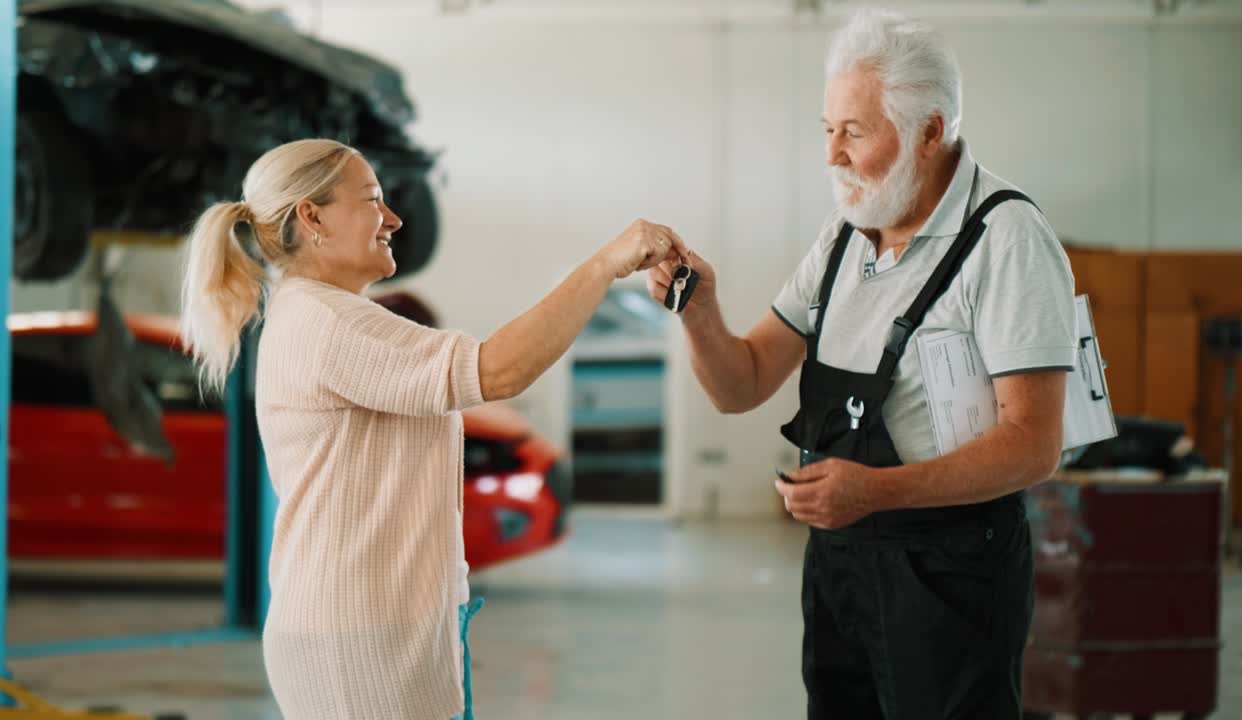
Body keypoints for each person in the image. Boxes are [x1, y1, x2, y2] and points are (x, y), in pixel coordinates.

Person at [648, 8, 1076, 719]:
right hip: (842, 566)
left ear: (930, 131)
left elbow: (1035, 443)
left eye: (855, 131)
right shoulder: (845, 237)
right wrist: (700, 312)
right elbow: (742, 383)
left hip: (956, 572)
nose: (832, 154)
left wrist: (878, 491)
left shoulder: (1006, 238)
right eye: (827, 129)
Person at [179, 138, 686, 720]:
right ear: (312, 217)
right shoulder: (327, 322)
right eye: (372, 200)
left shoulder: (318, 315)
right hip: (359, 645)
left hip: (374, 632)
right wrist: (605, 266)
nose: (393, 218)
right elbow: (498, 369)